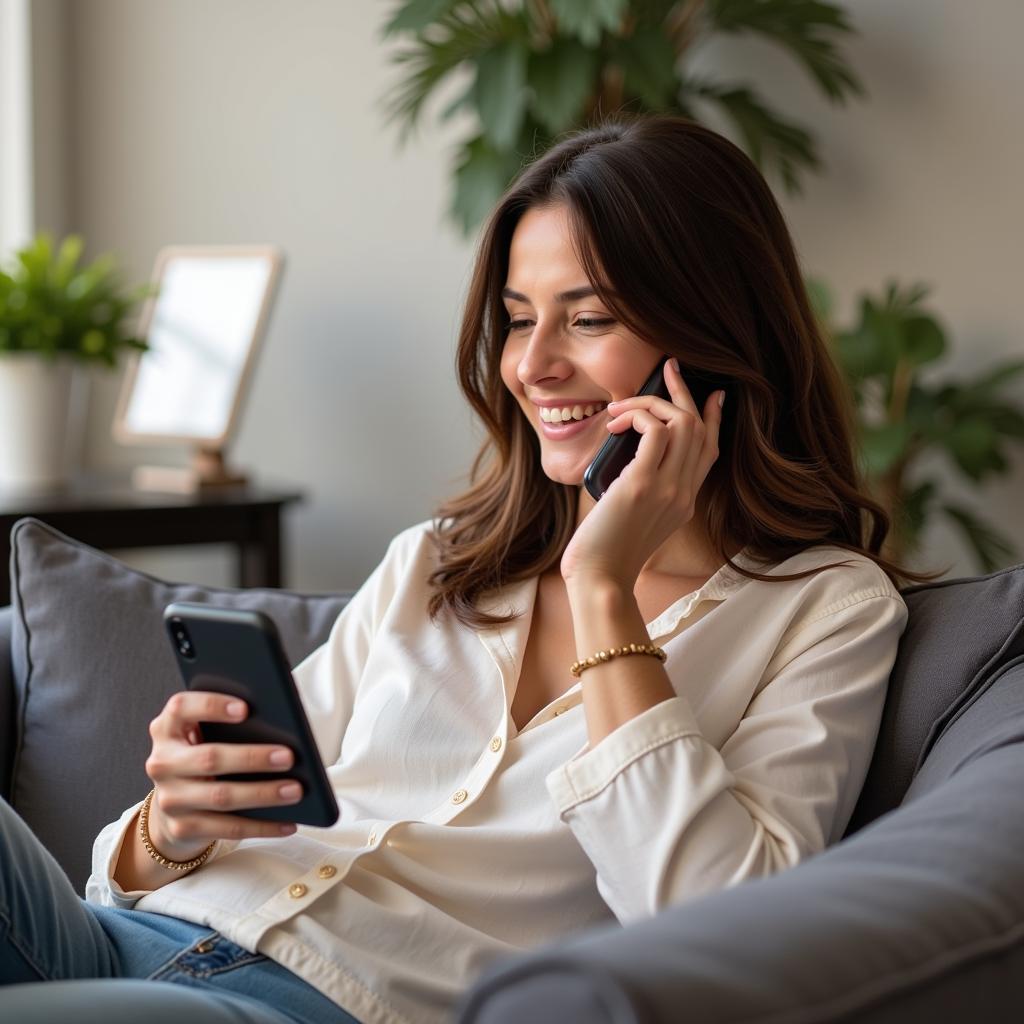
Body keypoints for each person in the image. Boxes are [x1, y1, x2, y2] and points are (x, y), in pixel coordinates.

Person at [1, 115, 942, 1024]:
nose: (533, 365)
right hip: (132, 933)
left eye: (590, 318)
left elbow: (721, 927)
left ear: (713, 343)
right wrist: (168, 827)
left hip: (314, 1004)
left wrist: (606, 586)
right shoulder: (434, 565)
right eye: (520, 319)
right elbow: (161, 846)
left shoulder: (823, 611)